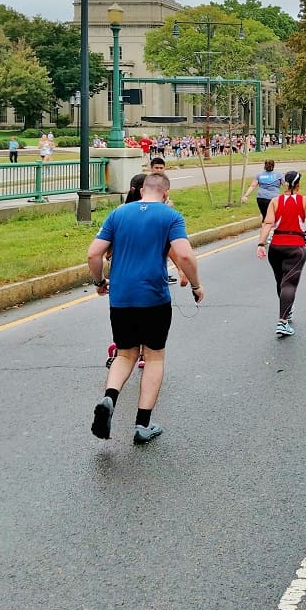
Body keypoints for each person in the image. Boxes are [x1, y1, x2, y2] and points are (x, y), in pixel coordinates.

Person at [87, 172, 204, 445]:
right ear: (165, 194)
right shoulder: (170, 216)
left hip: (121, 298)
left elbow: (94, 253)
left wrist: (99, 281)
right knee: (153, 358)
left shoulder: (118, 214)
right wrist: (197, 285)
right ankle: (142, 425)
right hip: (154, 298)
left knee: (125, 354)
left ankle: (110, 398)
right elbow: (184, 254)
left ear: (142, 192)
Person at [256, 171, 306, 336]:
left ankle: (286, 311)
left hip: (275, 247)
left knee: (281, 282)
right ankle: (282, 322)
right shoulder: (304, 201)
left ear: (284, 184)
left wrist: (261, 244)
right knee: (289, 284)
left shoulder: (275, 201)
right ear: (298, 185)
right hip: (295, 248)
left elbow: (267, 223)